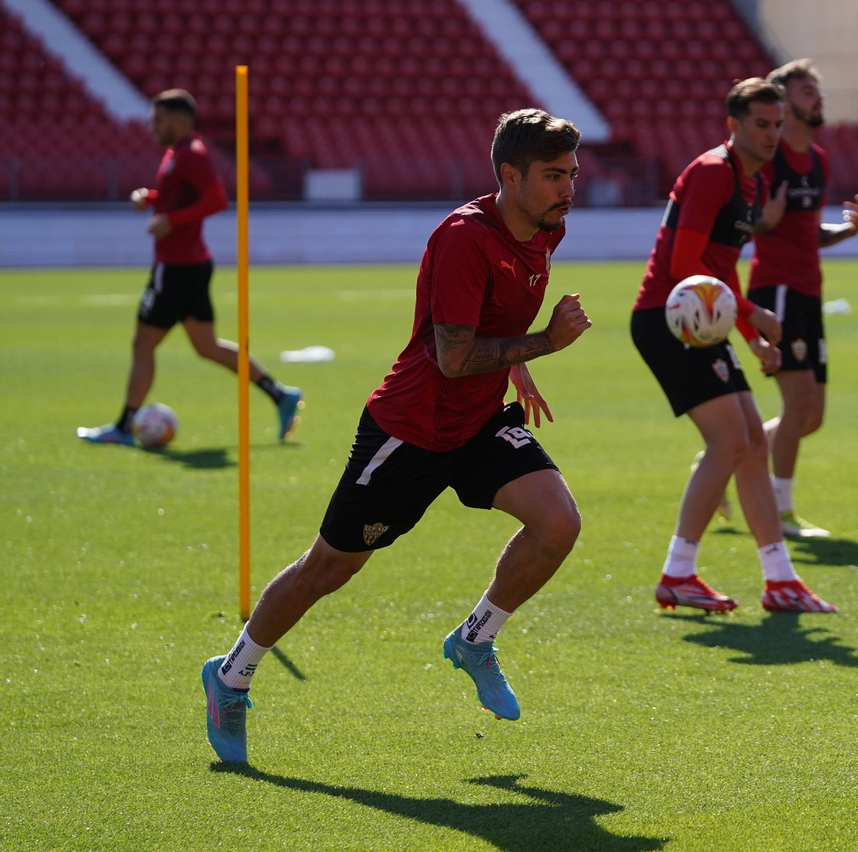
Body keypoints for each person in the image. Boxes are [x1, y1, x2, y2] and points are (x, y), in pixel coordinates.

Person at [200, 108, 592, 764]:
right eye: (554, 176)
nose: (569, 188)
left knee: (558, 524)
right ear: (510, 176)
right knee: (330, 568)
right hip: (409, 431)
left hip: (478, 423)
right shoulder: (465, 237)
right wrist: (545, 343)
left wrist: (517, 361)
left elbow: (489, 315)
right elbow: (452, 357)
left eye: (573, 174)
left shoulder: (546, 228)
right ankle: (232, 675)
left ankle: (474, 638)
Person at [631, 78, 838, 615]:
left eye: (776, 124)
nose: (771, 135)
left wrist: (750, 336)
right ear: (734, 126)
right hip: (669, 319)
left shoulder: (750, 182)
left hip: (700, 319)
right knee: (729, 444)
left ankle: (780, 579)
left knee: (752, 443)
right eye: (760, 125)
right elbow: (683, 269)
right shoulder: (712, 174)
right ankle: (678, 572)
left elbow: (720, 272)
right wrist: (752, 315)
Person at [77, 89, 303, 446]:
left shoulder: (192, 155)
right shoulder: (177, 154)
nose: (152, 126)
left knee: (143, 345)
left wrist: (171, 220)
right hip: (192, 264)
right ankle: (280, 395)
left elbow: (216, 200)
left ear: (180, 121)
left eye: (159, 120)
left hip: (177, 266)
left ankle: (123, 427)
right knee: (207, 346)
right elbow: (180, 198)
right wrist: (151, 199)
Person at [748, 59, 858, 539]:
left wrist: (847, 230)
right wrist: (763, 220)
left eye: (817, 89)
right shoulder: (769, 158)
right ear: (784, 103)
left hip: (808, 289)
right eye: (806, 90)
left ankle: (730, 452)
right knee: (798, 406)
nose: (817, 96)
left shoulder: (816, 159)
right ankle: (780, 512)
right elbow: (747, 221)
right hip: (775, 290)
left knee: (812, 416)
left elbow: (808, 232)